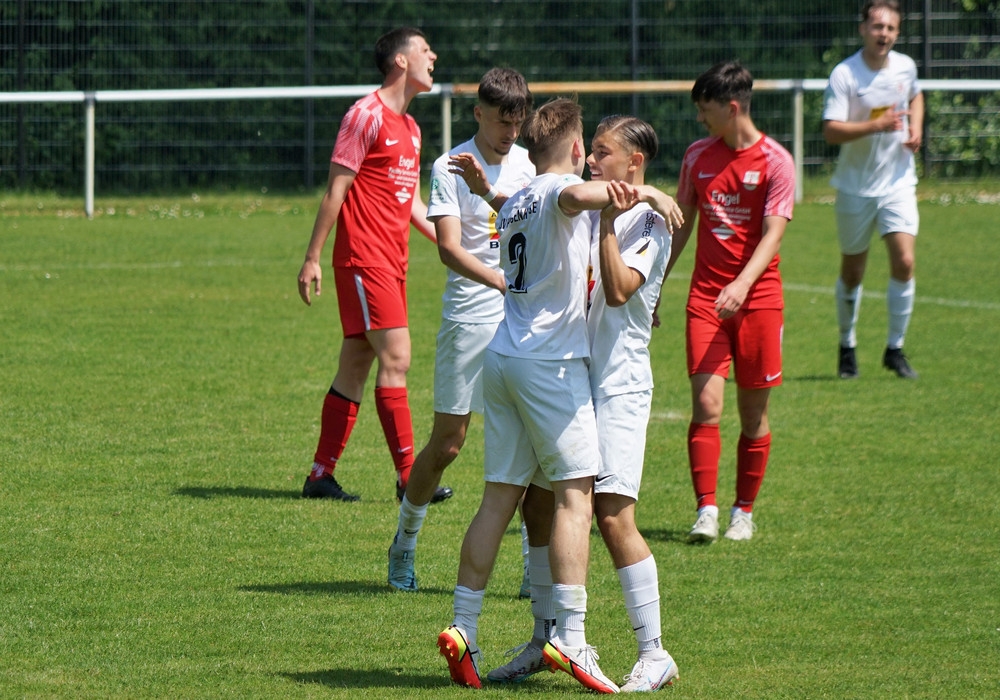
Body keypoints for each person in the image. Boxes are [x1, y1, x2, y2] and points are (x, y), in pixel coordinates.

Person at [484, 115, 683, 691]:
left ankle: (654, 653)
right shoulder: (599, 205)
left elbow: (618, 290)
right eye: (590, 151)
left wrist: (611, 222)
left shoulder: (650, 221)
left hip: (619, 384)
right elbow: (536, 210)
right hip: (572, 379)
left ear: (634, 163)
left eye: (603, 152)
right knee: (539, 502)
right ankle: (545, 639)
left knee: (613, 514)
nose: (592, 161)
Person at [436, 98, 623, 694]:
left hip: (503, 357)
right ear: (576, 150)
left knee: (498, 498)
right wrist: (644, 192)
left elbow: (526, 206)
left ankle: (464, 627)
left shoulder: (516, 198)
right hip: (550, 367)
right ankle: (571, 637)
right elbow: (579, 195)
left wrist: (486, 190)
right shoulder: (562, 190)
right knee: (575, 496)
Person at [387, 67, 535, 592]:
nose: (510, 133)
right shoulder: (449, 165)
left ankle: (533, 567)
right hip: (470, 314)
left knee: (530, 442)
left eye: (517, 123)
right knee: (449, 443)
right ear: (478, 114)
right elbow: (449, 249)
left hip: (523, 318)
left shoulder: (529, 163)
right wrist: (499, 279)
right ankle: (405, 541)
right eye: (501, 122)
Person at [295, 27, 449, 503]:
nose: (433, 57)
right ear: (400, 60)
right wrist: (312, 257)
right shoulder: (365, 115)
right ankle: (409, 479)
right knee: (397, 357)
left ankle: (320, 475)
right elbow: (335, 191)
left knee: (357, 362)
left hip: (392, 263)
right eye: (425, 50)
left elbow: (413, 205)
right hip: (364, 259)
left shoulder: (412, 128)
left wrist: (456, 243)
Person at [667, 61, 795, 544]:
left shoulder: (777, 161)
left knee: (753, 414)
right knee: (706, 404)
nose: (700, 118)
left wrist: (741, 285)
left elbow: (773, 234)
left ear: (732, 107)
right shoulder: (697, 155)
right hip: (705, 298)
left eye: (706, 109)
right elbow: (682, 225)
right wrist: (656, 283)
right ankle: (706, 510)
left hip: (758, 300)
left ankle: (744, 511)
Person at [823, 0, 923, 380]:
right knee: (853, 271)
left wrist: (916, 128)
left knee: (905, 262)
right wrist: (875, 126)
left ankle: (895, 349)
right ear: (863, 28)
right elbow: (831, 131)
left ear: (897, 33)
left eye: (891, 28)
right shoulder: (845, 74)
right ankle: (846, 345)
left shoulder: (905, 66)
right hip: (855, 187)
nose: (884, 34)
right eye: (878, 26)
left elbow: (915, 95)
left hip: (898, 182)